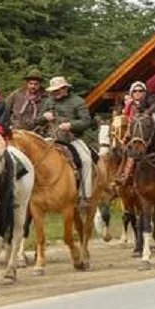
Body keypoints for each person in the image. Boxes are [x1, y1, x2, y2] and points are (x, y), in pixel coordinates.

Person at [40, 76, 96, 210]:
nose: (55, 93)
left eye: (58, 90)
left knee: (86, 160)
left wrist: (71, 125)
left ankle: (85, 196)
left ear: (66, 88)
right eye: (53, 91)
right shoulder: (48, 102)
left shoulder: (78, 102)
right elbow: (38, 120)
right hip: (51, 138)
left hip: (73, 138)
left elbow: (87, 121)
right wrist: (43, 117)